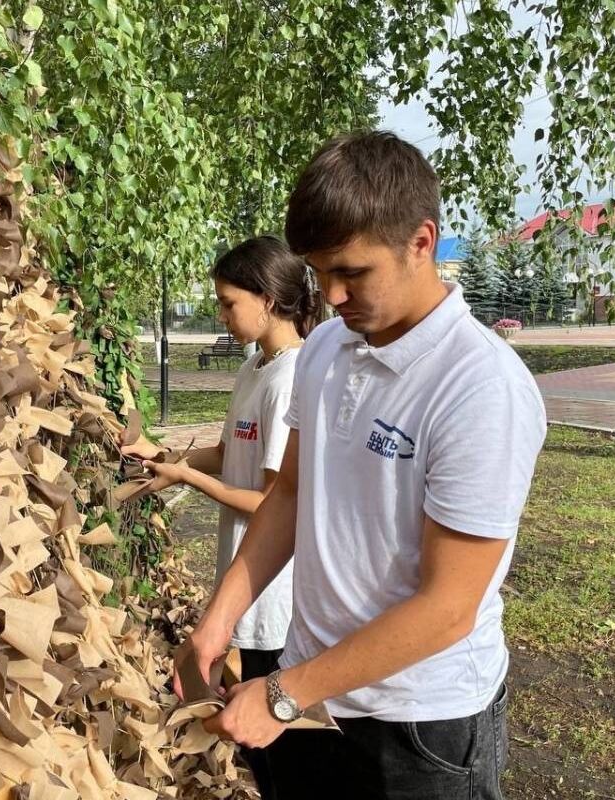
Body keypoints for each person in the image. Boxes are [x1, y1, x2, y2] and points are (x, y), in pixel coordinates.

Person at [175, 132, 548, 799]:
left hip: (422, 725)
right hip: (316, 694)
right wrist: (219, 618)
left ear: (422, 242)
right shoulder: (324, 352)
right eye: (322, 273)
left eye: (353, 272)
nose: (334, 295)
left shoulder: (479, 387)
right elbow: (289, 496)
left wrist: (284, 695)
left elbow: (448, 607)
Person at [122, 236, 321, 800]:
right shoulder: (258, 365)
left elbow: (272, 500)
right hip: (246, 583)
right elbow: (232, 451)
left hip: (274, 594)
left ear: (269, 298)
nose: (221, 314)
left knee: (281, 747)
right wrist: (165, 457)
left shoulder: (290, 381)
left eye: (229, 303)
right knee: (262, 747)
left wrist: (189, 479)